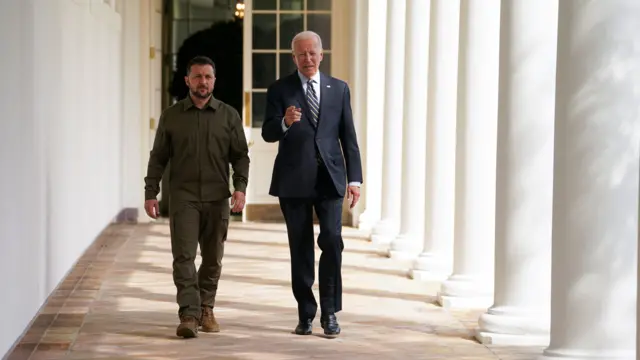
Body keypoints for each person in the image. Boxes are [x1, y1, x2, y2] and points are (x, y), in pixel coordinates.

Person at [261, 31, 363, 337]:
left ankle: (330, 312)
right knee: (301, 249)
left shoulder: (338, 89)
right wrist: (285, 122)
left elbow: (349, 137)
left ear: (321, 55)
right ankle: (306, 312)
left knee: (332, 241)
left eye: (312, 53)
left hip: (331, 179)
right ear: (293, 58)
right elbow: (267, 132)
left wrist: (355, 179)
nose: (307, 59)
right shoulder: (280, 89)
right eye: (301, 54)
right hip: (294, 181)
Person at [143, 55, 250, 339]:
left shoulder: (229, 116)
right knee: (184, 257)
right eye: (198, 76)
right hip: (183, 198)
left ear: (214, 81)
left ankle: (207, 308)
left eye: (208, 77)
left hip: (217, 198)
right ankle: (189, 314)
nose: (203, 82)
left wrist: (240, 188)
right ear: (187, 80)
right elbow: (158, 158)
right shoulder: (172, 116)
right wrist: (150, 192)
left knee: (213, 258)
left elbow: (240, 156)